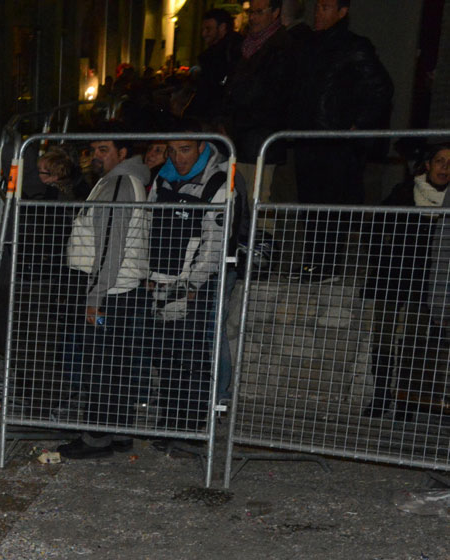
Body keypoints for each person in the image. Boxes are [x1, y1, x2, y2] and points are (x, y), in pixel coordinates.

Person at [56, 134, 151, 459]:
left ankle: (97, 439)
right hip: (121, 288)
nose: (95, 155)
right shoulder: (123, 181)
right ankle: (119, 432)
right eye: (93, 149)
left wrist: (94, 297)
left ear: (122, 152)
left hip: (110, 291)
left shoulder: (118, 184)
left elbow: (110, 245)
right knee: (117, 364)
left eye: (103, 150)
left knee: (99, 366)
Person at [287, 0, 393, 281]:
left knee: (331, 206)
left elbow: (381, 87)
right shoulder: (311, 45)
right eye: (317, 7)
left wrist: (356, 125)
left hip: (334, 142)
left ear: (341, 12)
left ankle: (328, 266)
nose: (318, 13)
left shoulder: (354, 46)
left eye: (325, 7)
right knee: (311, 205)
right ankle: (313, 264)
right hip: (309, 137)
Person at [146, 135, 235, 433]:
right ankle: (170, 421)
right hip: (159, 280)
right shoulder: (163, 179)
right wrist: (147, 274)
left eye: (184, 149)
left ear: (200, 147)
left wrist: (191, 284)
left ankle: (191, 428)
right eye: (171, 150)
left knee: (193, 358)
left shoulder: (218, 182)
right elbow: (146, 225)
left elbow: (215, 243)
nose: (177, 157)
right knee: (163, 354)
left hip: (193, 285)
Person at [363, 144, 450, 418]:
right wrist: (385, 255)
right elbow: (374, 229)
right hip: (393, 276)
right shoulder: (404, 192)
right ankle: (380, 395)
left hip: (427, 283)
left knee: (415, 340)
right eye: (439, 161)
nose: (445, 168)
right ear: (428, 164)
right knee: (384, 337)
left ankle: (406, 399)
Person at [223, 0, 293, 207]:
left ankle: (261, 239)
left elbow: (274, 98)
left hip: (261, 139)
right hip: (243, 137)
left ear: (275, 13)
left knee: (258, 201)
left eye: (259, 12)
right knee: (240, 200)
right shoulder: (246, 47)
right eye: (250, 12)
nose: (252, 18)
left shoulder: (282, 47)